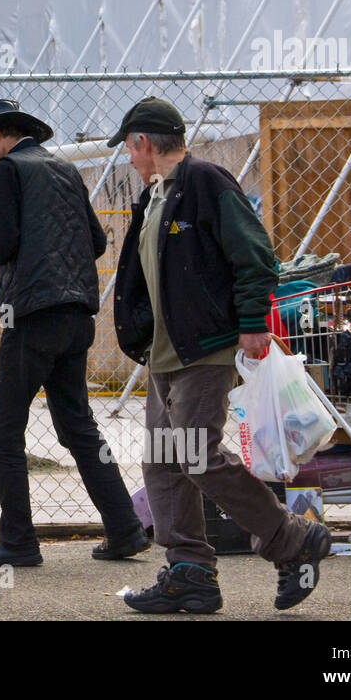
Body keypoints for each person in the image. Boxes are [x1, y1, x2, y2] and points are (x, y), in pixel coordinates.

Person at [109, 97, 330, 613]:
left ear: (143, 143)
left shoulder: (204, 183)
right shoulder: (154, 198)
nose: (129, 158)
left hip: (204, 350)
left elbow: (254, 254)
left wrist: (252, 322)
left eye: (128, 148)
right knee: (163, 461)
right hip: (164, 354)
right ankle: (189, 573)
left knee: (195, 455)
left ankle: (290, 536)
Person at [0, 99, 147, 568]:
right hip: (77, 314)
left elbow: (3, 245)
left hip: (31, 315)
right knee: (79, 428)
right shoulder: (64, 170)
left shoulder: (6, 172)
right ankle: (125, 528)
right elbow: (96, 242)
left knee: (1, 434)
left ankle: (18, 541)